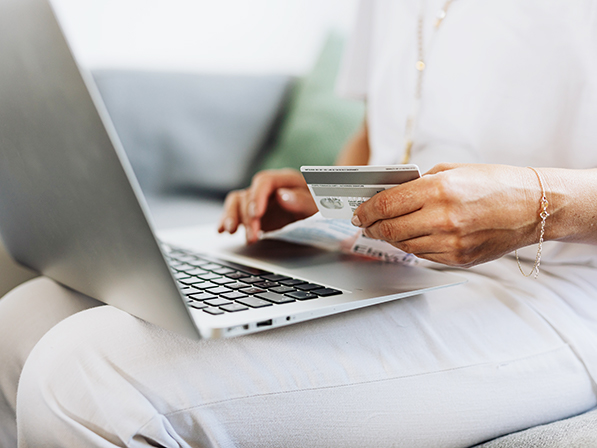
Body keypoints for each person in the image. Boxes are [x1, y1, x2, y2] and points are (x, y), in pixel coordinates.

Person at [2, 0, 597, 446]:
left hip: (551, 287)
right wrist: (333, 199)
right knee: (20, 319)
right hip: (394, 262)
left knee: (84, 377)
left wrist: (537, 201)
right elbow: (377, 133)